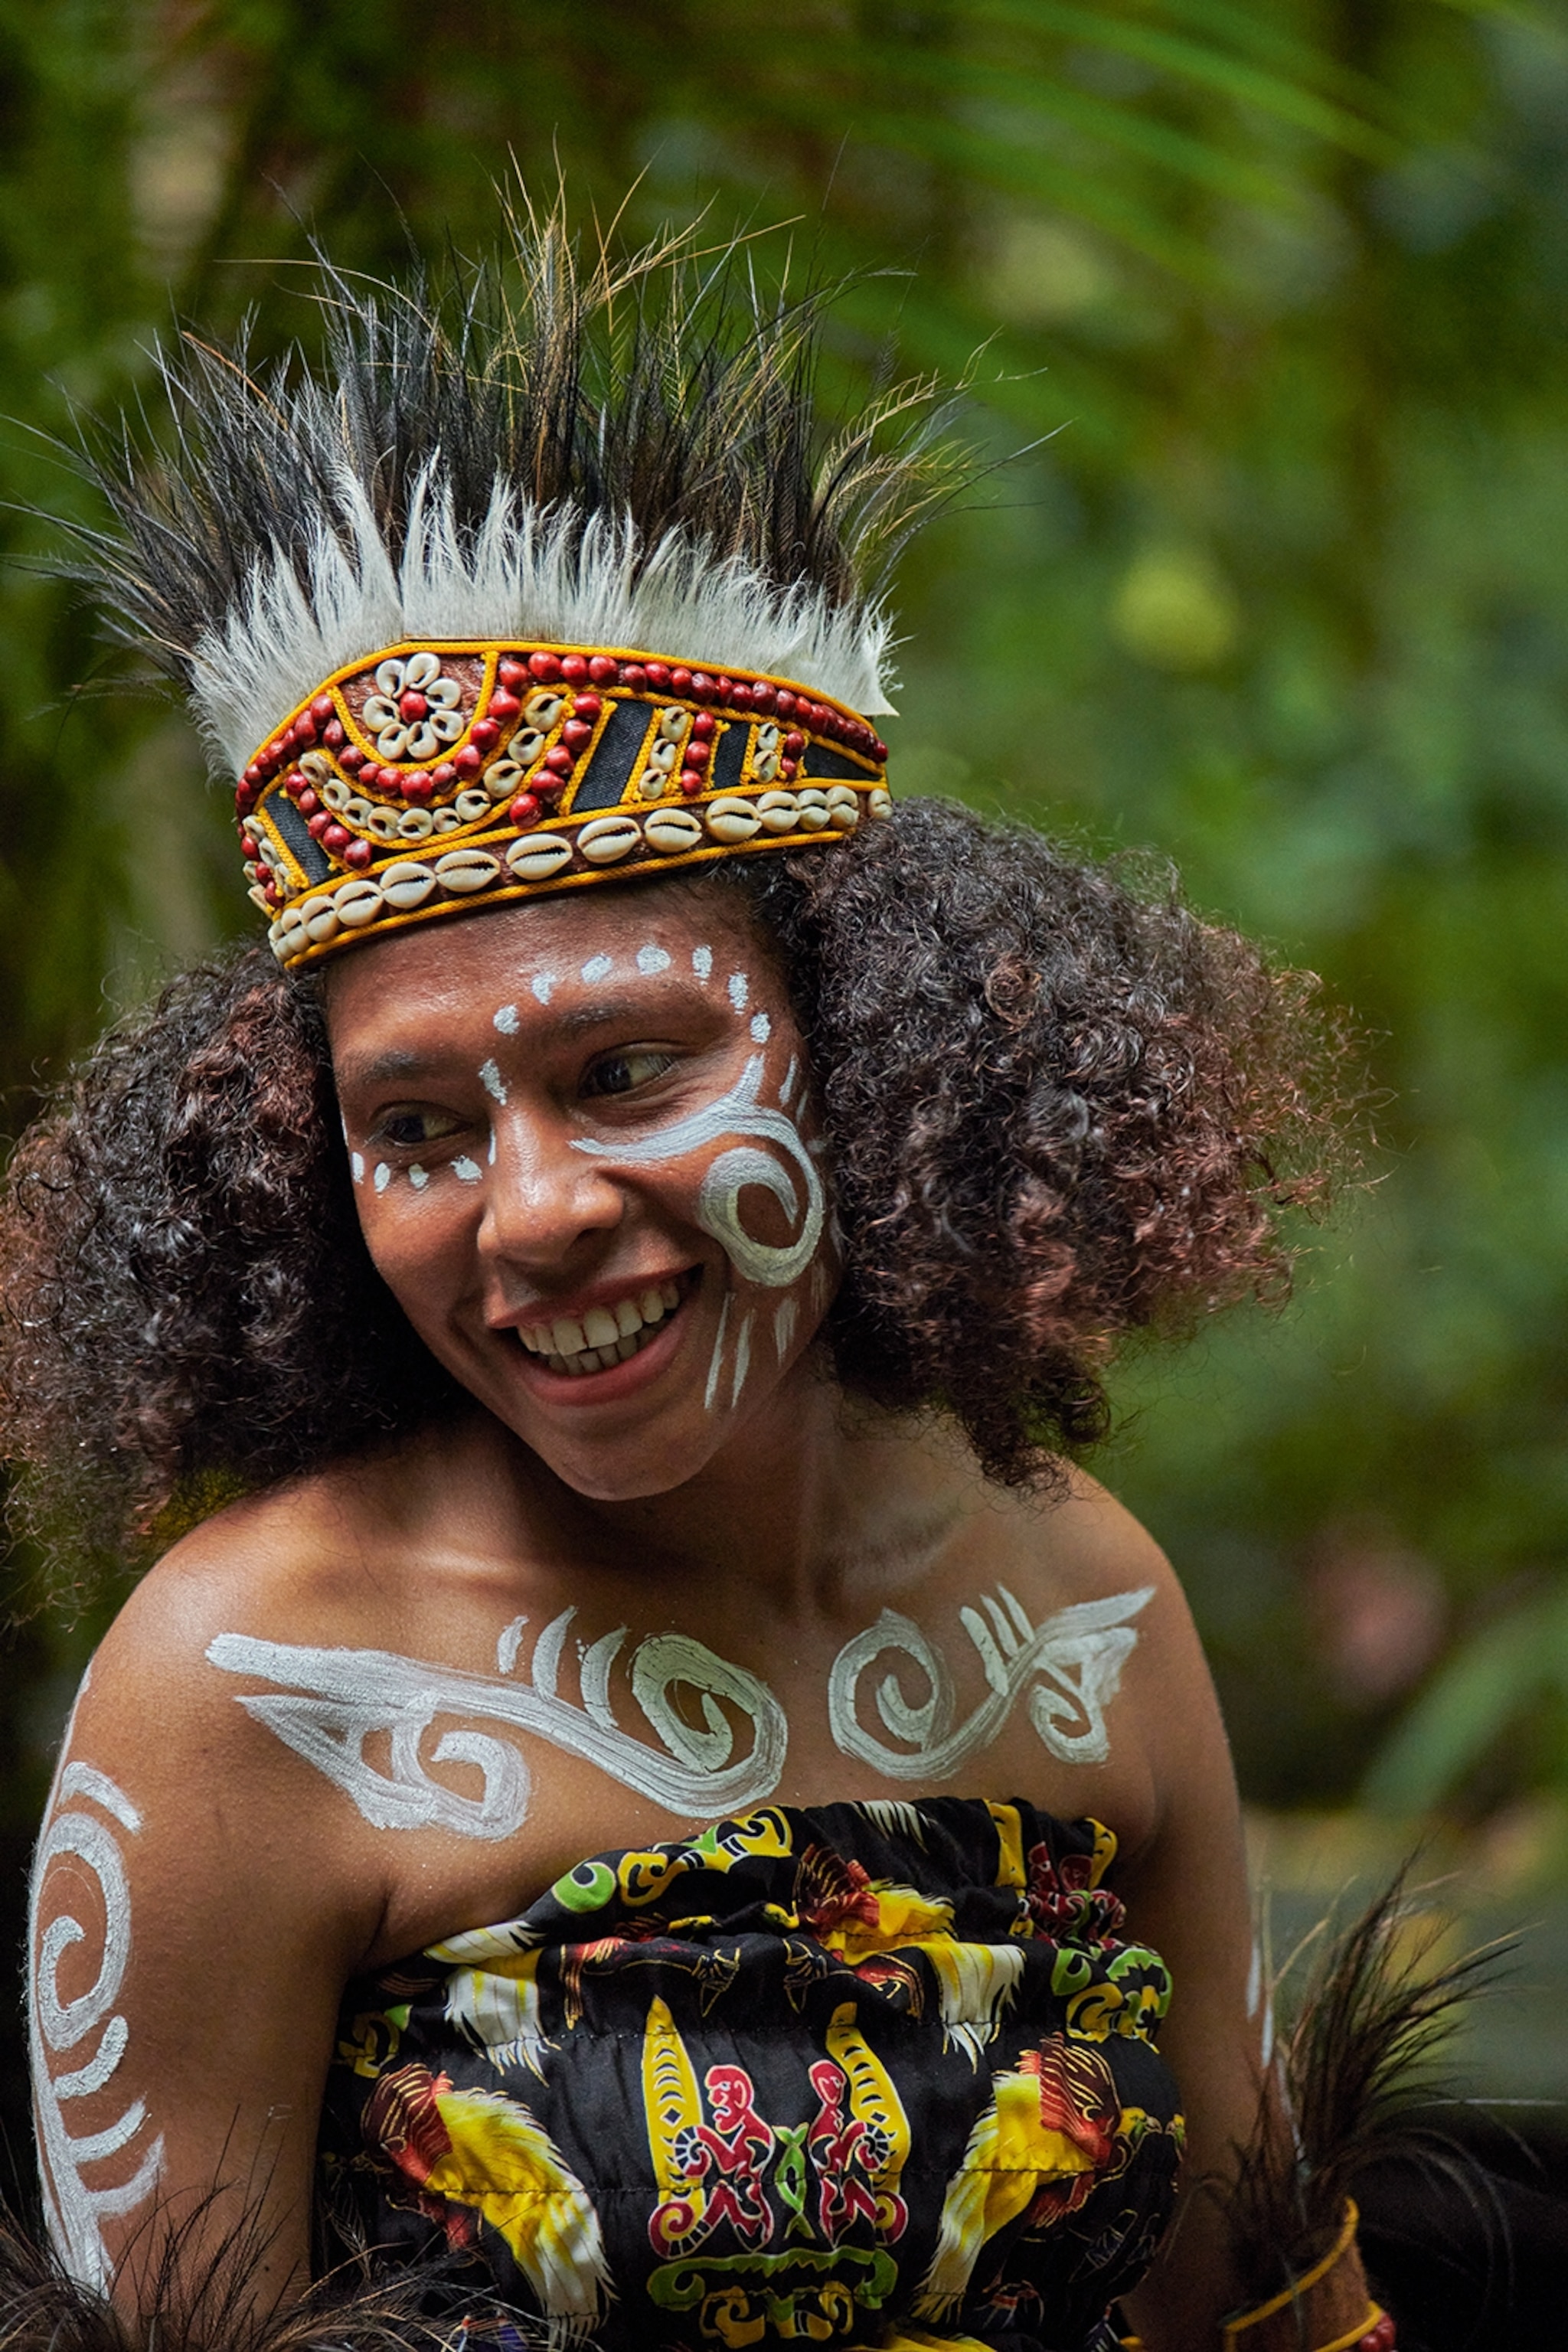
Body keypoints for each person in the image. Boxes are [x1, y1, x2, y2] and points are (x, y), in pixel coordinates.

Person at [2, 211, 1387, 2352]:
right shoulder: (244, 1693)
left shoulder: (1086, 1610)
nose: (532, 1210)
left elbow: (1255, 2311)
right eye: (421, 1132)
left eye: (628, 1071)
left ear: (872, 1036)